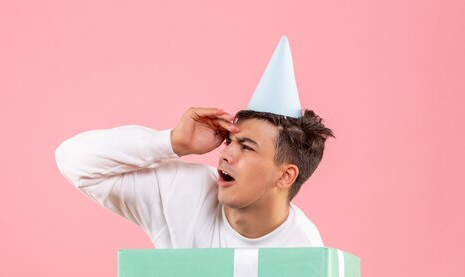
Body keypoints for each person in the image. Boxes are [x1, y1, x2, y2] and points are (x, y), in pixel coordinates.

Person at [55, 36, 335, 248]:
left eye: (247, 147)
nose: (225, 156)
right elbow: (74, 160)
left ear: (286, 176)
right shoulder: (184, 192)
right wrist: (171, 143)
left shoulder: (304, 247)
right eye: (229, 143)